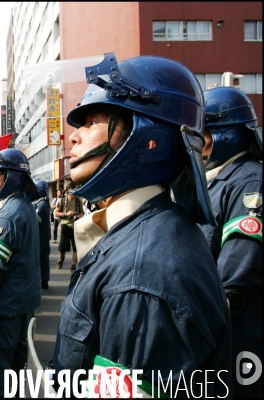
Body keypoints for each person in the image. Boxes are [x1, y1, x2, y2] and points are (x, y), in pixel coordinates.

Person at [51, 54, 231, 397]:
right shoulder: (150, 231)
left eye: (91, 122)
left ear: (146, 139)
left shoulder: (142, 277)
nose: (73, 137)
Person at [198, 86, 262, 397]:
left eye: (203, 133)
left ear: (224, 134)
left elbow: (233, 281)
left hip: (236, 337)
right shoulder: (217, 180)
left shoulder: (250, 183)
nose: (196, 142)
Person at [0, 149, 41, 398]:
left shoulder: (8, 216)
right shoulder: (25, 207)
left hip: (5, 306)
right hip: (24, 302)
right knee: (15, 368)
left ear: (13, 177)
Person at [55, 185, 83, 272]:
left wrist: (78, 216)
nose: (73, 195)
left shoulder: (78, 201)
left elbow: (81, 212)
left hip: (76, 226)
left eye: (75, 193)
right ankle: (61, 258)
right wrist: (66, 214)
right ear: (68, 192)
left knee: (76, 247)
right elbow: (56, 213)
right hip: (65, 225)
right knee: (63, 247)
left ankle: (73, 266)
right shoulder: (62, 200)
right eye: (72, 193)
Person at [33, 180, 51, 289]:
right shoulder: (42, 203)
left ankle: (41, 280)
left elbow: (36, 221)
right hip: (44, 236)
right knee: (44, 259)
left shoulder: (41, 205)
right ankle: (45, 280)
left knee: (38, 259)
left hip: (40, 237)